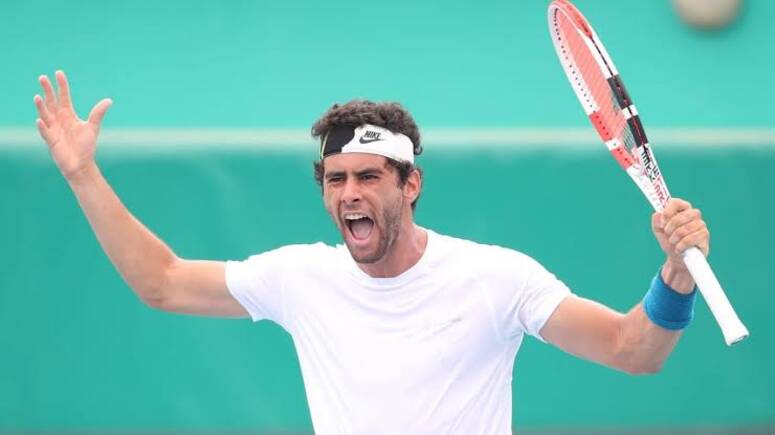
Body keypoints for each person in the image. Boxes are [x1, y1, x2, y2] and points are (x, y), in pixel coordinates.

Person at [33, 71, 709, 434]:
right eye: (335, 179)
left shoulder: (496, 277)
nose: (349, 193)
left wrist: (676, 276)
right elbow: (161, 281)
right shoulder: (299, 276)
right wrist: (82, 174)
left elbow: (632, 350)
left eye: (368, 176)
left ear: (410, 184)